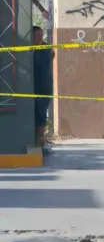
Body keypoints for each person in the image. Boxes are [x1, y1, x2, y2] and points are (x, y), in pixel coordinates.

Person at [32, 26, 54, 155]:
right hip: (34, 88)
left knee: (41, 113)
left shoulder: (45, 48)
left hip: (46, 87)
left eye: (41, 35)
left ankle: (41, 141)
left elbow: (52, 55)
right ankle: (38, 141)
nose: (40, 37)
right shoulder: (30, 49)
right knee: (37, 115)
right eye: (37, 35)